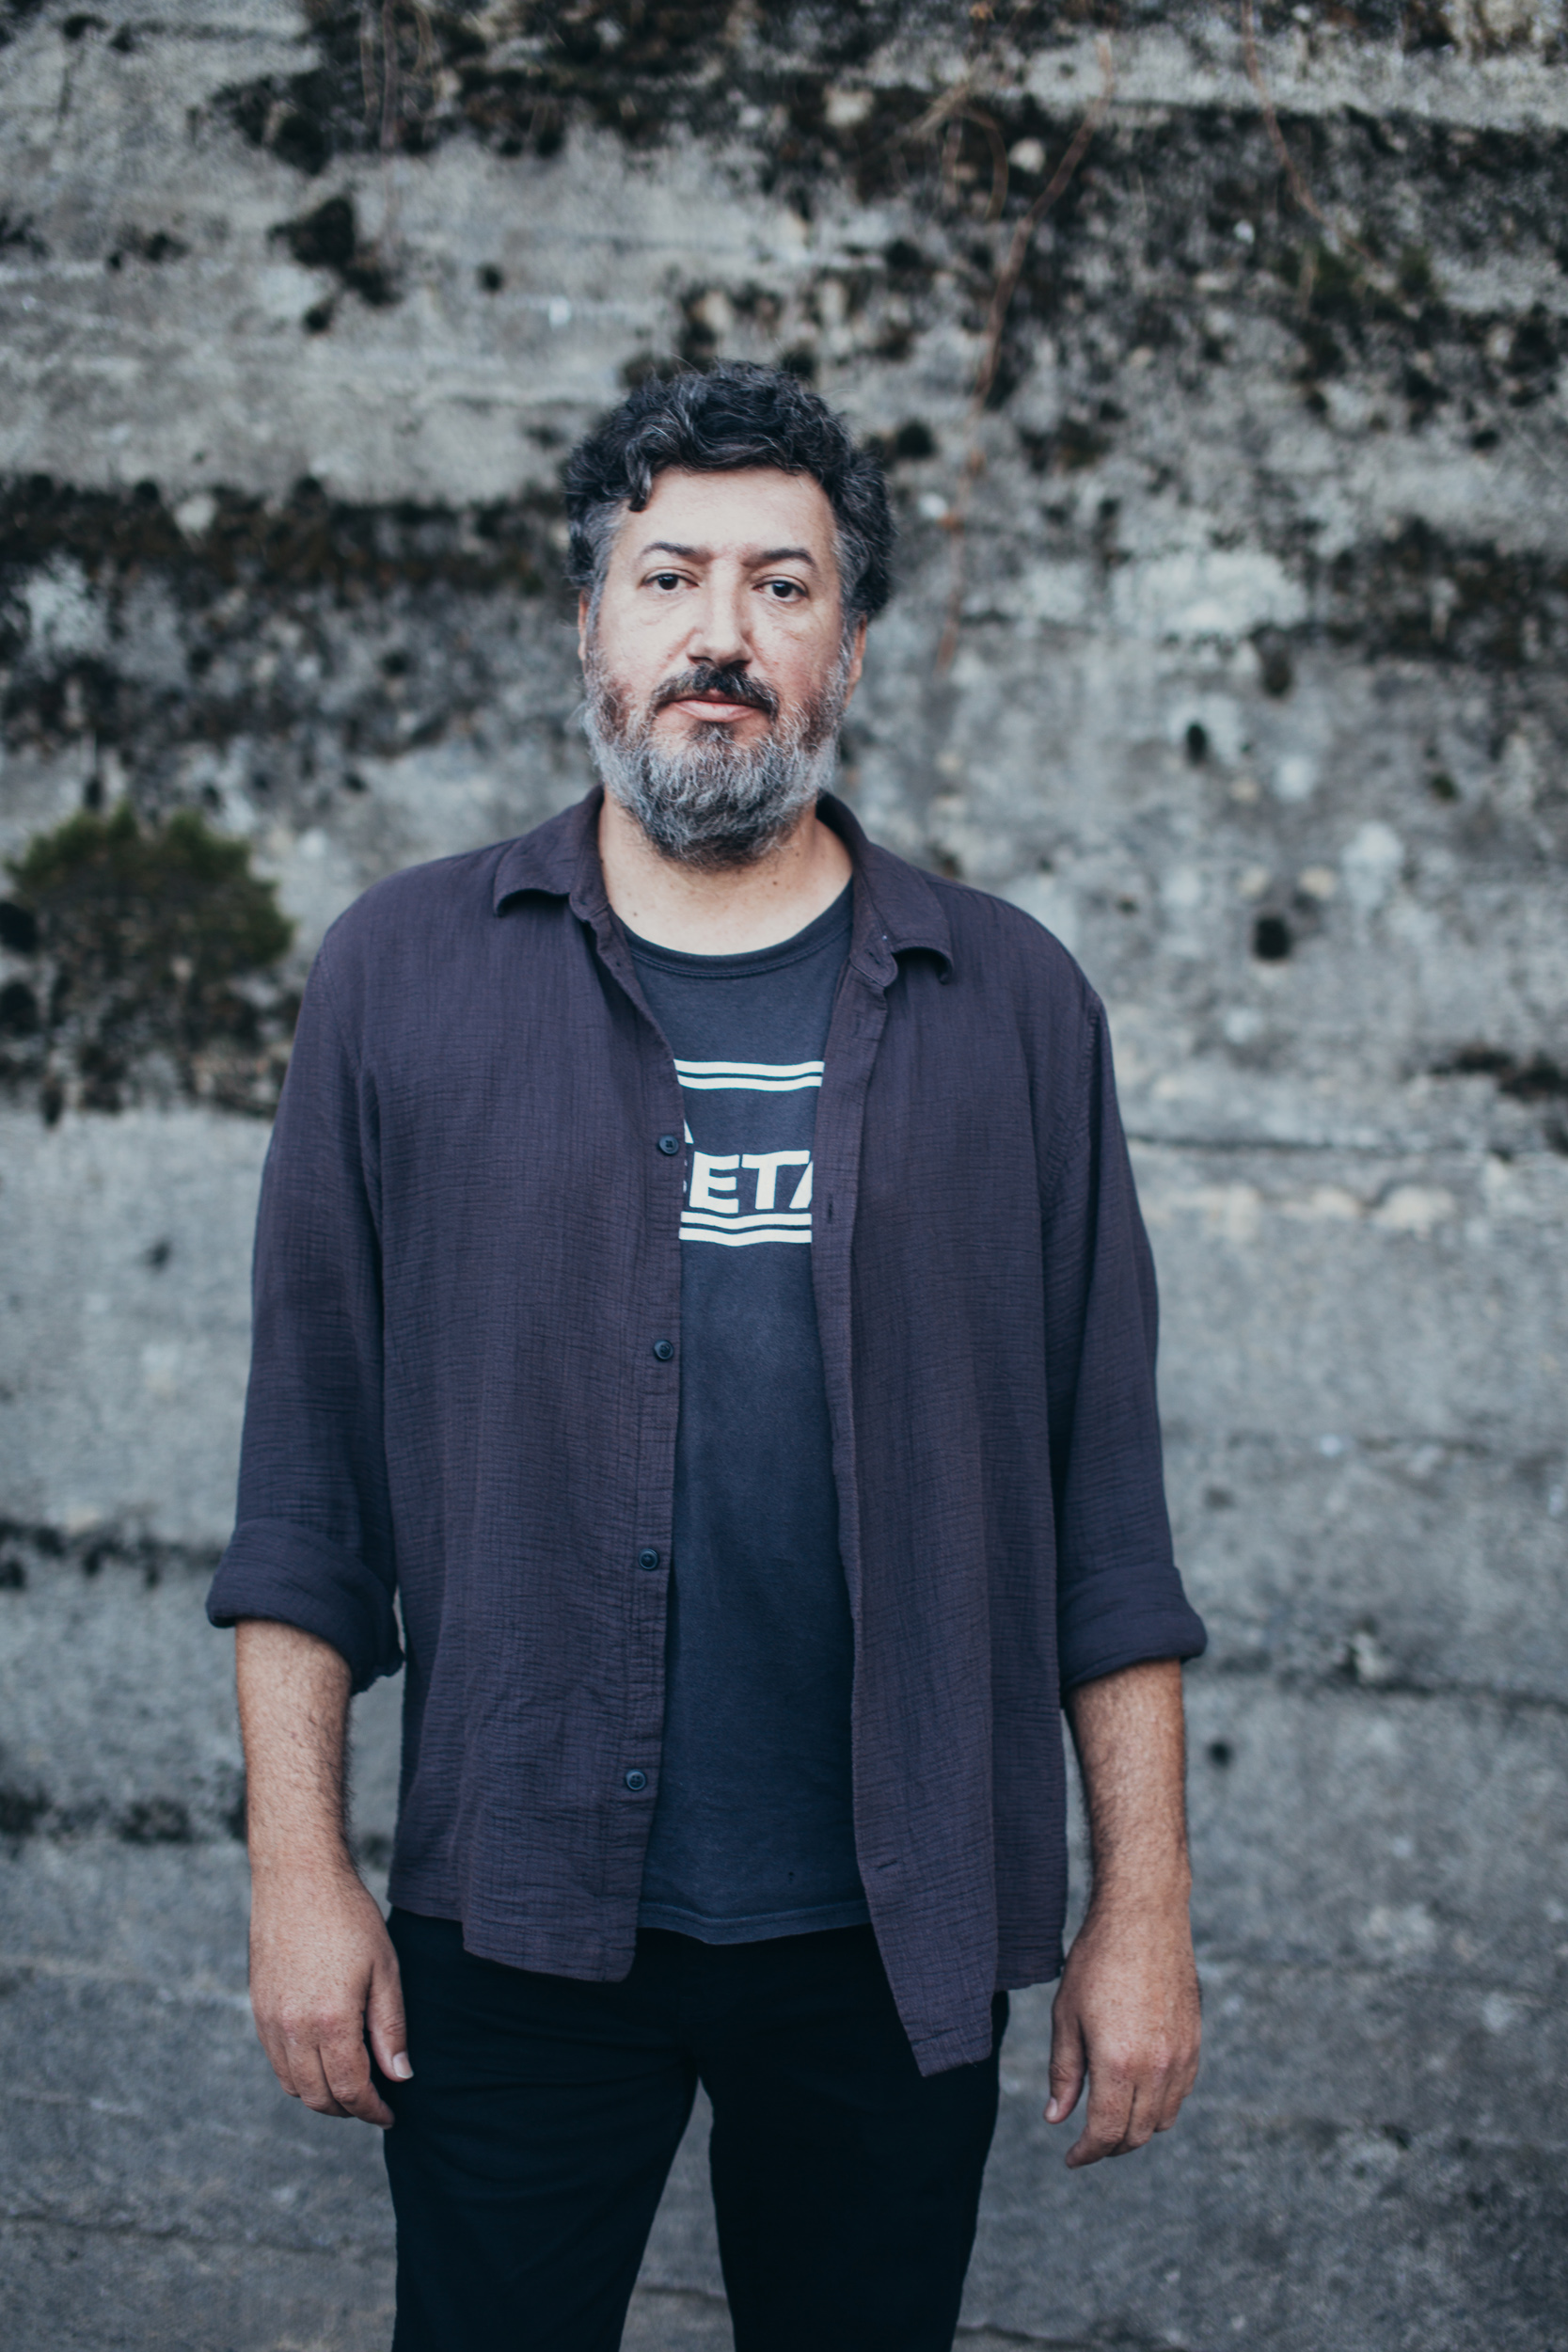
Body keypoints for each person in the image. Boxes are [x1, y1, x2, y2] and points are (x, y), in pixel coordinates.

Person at [209, 362, 1208, 2352]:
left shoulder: (1012, 1003)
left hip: (891, 1920)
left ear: (850, 647)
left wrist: (1145, 1904)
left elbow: (1101, 1507)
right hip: (516, 1899)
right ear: (590, 622)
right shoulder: (403, 974)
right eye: (669, 577)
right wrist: (297, 1874)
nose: (721, 634)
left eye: (782, 584)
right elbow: (307, 1491)